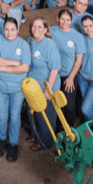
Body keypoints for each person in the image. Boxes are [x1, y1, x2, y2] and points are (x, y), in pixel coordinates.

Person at [0, 17, 31, 162]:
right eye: (6, 29)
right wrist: (14, 63)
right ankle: (1, 139)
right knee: (2, 116)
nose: (9, 32)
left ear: (18, 30)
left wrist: (4, 68)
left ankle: (13, 144)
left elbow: (25, 68)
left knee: (14, 116)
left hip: (17, 88)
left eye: (12, 29)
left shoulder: (23, 45)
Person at [26, 17, 61, 151]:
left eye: (40, 27)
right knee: (32, 113)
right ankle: (35, 135)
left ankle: (44, 142)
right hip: (32, 87)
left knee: (44, 117)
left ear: (46, 29)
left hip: (45, 87)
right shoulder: (29, 41)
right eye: (34, 26)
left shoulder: (49, 45)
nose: (36, 29)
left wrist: (48, 90)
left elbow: (55, 69)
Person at [50, 10, 85, 129]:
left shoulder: (77, 36)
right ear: (57, 18)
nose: (65, 22)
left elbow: (79, 60)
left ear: (71, 21)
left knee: (69, 106)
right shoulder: (50, 31)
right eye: (62, 19)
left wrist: (71, 78)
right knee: (54, 104)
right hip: (53, 74)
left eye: (68, 20)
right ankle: (56, 126)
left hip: (68, 75)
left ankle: (69, 130)